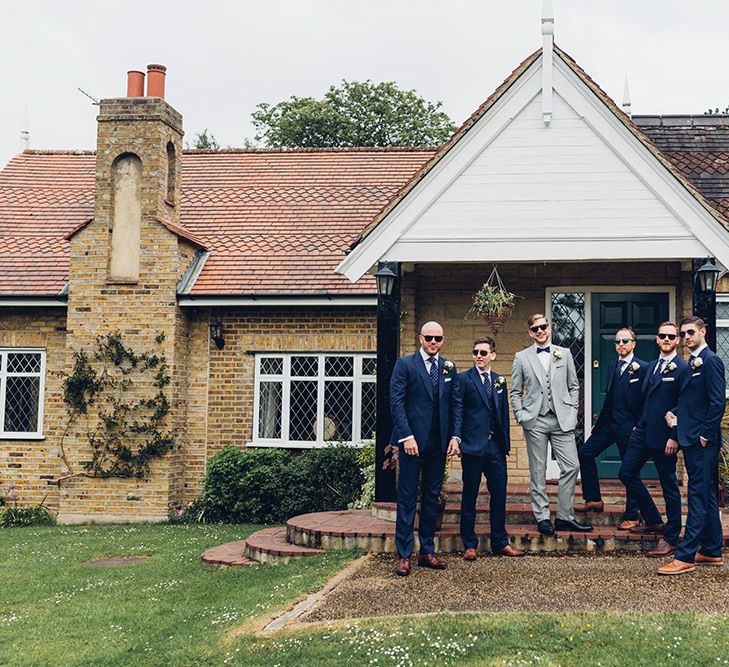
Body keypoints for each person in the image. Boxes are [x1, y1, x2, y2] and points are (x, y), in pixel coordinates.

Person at [390, 321, 462, 576]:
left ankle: (427, 552)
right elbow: (396, 403)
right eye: (429, 337)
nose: (433, 342)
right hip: (411, 445)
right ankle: (404, 555)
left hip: (438, 445)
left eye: (438, 338)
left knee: (431, 499)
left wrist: (455, 437)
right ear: (421, 338)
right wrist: (406, 436)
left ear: (443, 340)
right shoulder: (405, 365)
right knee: (407, 499)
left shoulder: (449, 368)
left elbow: (456, 405)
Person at [510, 314, 592, 535]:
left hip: (561, 419)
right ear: (530, 332)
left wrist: (572, 411)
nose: (540, 331)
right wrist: (520, 414)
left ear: (549, 327)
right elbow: (515, 392)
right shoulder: (521, 357)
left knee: (572, 466)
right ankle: (542, 516)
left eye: (543, 326)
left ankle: (564, 516)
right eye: (535, 328)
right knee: (538, 470)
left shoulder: (563, 353)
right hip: (534, 420)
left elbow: (574, 385)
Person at [657, 316, 726, 575]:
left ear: (703, 332)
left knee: (696, 496)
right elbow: (691, 401)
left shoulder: (711, 361)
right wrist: (672, 412)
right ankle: (711, 550)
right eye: (683, 333)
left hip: (702, 442)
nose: (686, 337)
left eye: (690, 332)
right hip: (692, 437)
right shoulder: (691, 364)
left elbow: (717, 402)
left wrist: (706, 435)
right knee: (706, 495)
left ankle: (685, 555)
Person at [452, 336, 525, 560]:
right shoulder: (463, 380)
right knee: (469, 495)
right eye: (476, 353)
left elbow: (502, 415)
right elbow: (458, 411)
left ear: (492, 355)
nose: (479, 356)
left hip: (495, 448)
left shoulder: (499, 381)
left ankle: (500, 542)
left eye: (483, 353)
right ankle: (469, 544)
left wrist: (505, 445)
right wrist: (457, 438)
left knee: (500, 494)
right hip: (473, 447)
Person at [618, 322, 686, 557]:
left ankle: (671, 537)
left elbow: (685, 405)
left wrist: (675, 437)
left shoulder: (682, 368)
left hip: (665, 438)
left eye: (671, 336)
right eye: (662, 336)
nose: (666, 339)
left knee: (669, 486)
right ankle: (654, 518)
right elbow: (644, 399)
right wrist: (637, 425)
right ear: (657, 339)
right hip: (642, 432)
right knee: (626, 473)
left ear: (676, 340)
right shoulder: (651, 366)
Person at [576, 327, 647, 529]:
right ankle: (593, 499)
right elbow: (609, 397)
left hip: (630, 427)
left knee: (630, 470)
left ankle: (632, 515)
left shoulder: (643, 367)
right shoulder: (611, 366)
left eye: (625, 341)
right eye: (618, 341)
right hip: (609, 424)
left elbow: (647, 399)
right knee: (585, 452)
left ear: (634, 343)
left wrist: (640, 425)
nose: (621, 345)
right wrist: (598, 424)